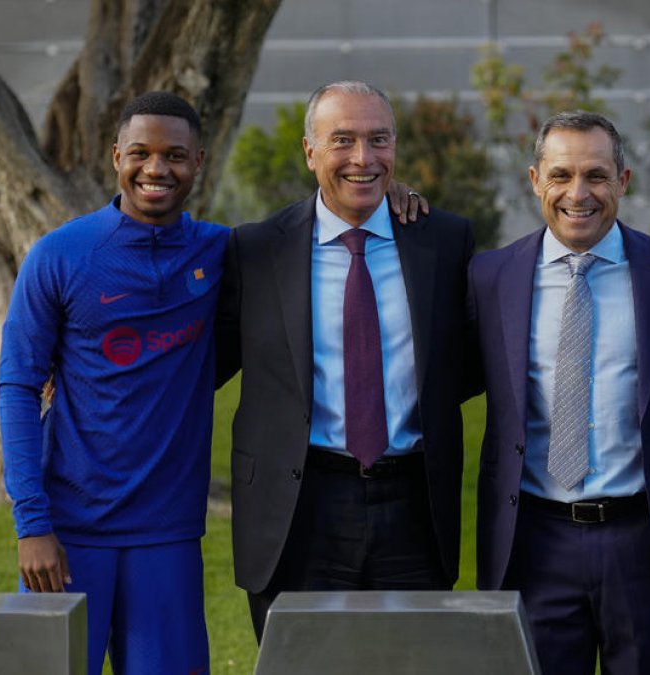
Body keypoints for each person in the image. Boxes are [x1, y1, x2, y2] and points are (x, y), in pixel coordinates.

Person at [466, 110, 650, 675]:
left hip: (645, 541)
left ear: (623, 181)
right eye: (561, 175)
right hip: (533, 542)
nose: (578, 193)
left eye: (596, 175)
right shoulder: (490, 277)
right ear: (535, 180)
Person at [214, 80, 475, 641]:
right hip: (297, 507)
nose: (363, 158)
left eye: (378, 140)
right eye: (343, 141)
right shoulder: (255, 250)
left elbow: (474, 360)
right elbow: (202, 362)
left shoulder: (444, 242)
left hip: (414, 506)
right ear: (310, 152)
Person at [0, 91, 223, 674]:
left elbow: (313, 229)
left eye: (175, 155)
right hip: (70, 533)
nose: (156, 169)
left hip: (168, 533)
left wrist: (390, 194)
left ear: (199, 161)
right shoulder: (60, 255)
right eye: (141, 152)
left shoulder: (221, 253)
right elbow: (18, 386)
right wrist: (32, 524)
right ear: (115, 154)